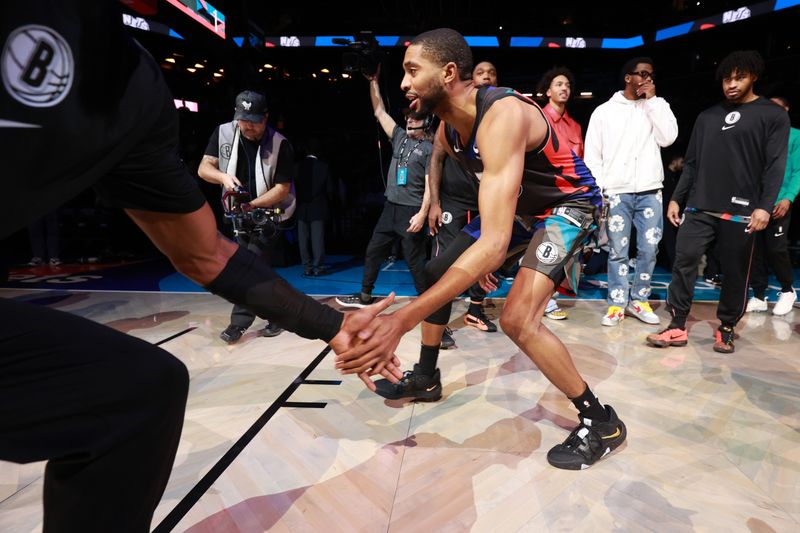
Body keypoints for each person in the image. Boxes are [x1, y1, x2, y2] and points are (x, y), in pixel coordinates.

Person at [0, 4, 399, 531]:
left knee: (141, 390)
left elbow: (203, 253)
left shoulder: (131, 87)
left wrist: (332, 325)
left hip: (261, 214)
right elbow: (208, 172)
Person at [337, 28, 627, 470]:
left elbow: (492, 243)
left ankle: (601, 421)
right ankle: (427, 377)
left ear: (450, 73)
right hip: (524, 216)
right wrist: (480, 252)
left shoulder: (503, 115)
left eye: (413, 71)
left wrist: (401, 321)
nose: (404, 83)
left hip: (570, 206)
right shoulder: (448, 129)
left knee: (516, 319)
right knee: (438, 270)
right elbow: (493, 215)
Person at [647, 50, 789, 353]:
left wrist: (765, 205)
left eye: (739, 77)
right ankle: (676, 326)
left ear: (754, 77)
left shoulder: (773, 115)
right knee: (683, 263)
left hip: (742, 211)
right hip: (700, 205)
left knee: (736, 271)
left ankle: (726, 328)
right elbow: (693, 164)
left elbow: (775, 164)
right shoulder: (707, 116)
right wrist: (677, 199)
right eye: (727, 78)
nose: (732, 84)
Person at [584, 57, 678, 327]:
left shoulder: (657, 106)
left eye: (651, 75)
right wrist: (602, 188)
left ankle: (639, 299)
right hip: (617, 192)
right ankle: (616, 303)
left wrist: (654, 102)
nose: (647, 79)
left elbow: (668, 137)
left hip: (650, 190)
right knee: (617, 251)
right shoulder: (604, 111)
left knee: (649, 250)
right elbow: (593, 155)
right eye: (642, 74)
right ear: (628, 78)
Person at [198, 90, 294, 343]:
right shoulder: (223, 133)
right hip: (236, 214)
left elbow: (282, 189)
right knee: (258, 269)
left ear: (266, 117)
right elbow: (203, 168)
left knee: (247, 266)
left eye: (254, 120)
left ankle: (238, 323)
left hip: (269, 212)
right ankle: (278, 314)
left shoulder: (280, 144)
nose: (248, 126)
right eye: (243, 120)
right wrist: (223, 177)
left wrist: (251, 205)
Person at [336, 64, 432, 308]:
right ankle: (365, 294)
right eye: (408, 118)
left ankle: (432, 309)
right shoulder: (399, 137)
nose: (409, 120)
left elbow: (432, 184)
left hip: (411, 211)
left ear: (425, 122)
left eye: (414, 118)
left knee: (415, 263)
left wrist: (422, 214)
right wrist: (373, 82)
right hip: (391, 208)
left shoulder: (431, 148)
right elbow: (379, 111)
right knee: (373, 251)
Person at [536, 66, 586, 320]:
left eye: (567, 84)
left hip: (572, 198)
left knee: (565, 251)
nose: (564, 88)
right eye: (558, 84)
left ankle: (547, 297)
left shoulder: (575, 127)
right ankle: (541, 300)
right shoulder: (538, 120)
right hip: (544, 194)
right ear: (547, 91)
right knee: (546, 249)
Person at [745, 96, 798, 315]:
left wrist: (788, 197)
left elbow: (797, 171)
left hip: (779, 202)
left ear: (786, 109)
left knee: (776, 249)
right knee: (753, 249)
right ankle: (758, 295)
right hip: (756, 202)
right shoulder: (759, 135)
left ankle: (787, 290)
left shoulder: (795, 136)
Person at [295, 138, 333, 277]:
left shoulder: (297, 166)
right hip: (318, 206)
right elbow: (330, 189)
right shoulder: (323, 167)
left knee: (303, 238)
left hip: (302, 207)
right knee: (317, 239)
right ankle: (318, 267)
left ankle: (307, 267)